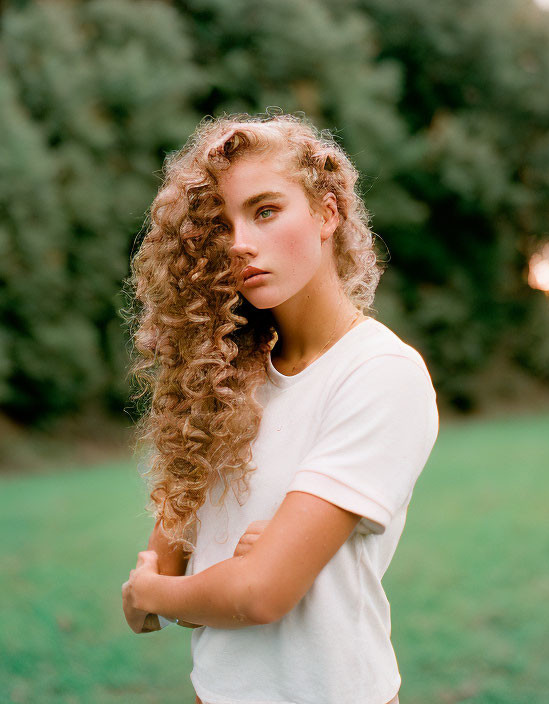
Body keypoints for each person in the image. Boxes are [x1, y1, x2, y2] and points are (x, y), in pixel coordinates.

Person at [121, 110, 439, 704]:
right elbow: (177, 577)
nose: (241, 244)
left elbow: (256, 596)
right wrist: (204, 581)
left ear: (326, 213)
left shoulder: (381, 374)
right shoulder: (224, 383)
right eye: (222, 225)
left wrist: (157, 595)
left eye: (265, 211)